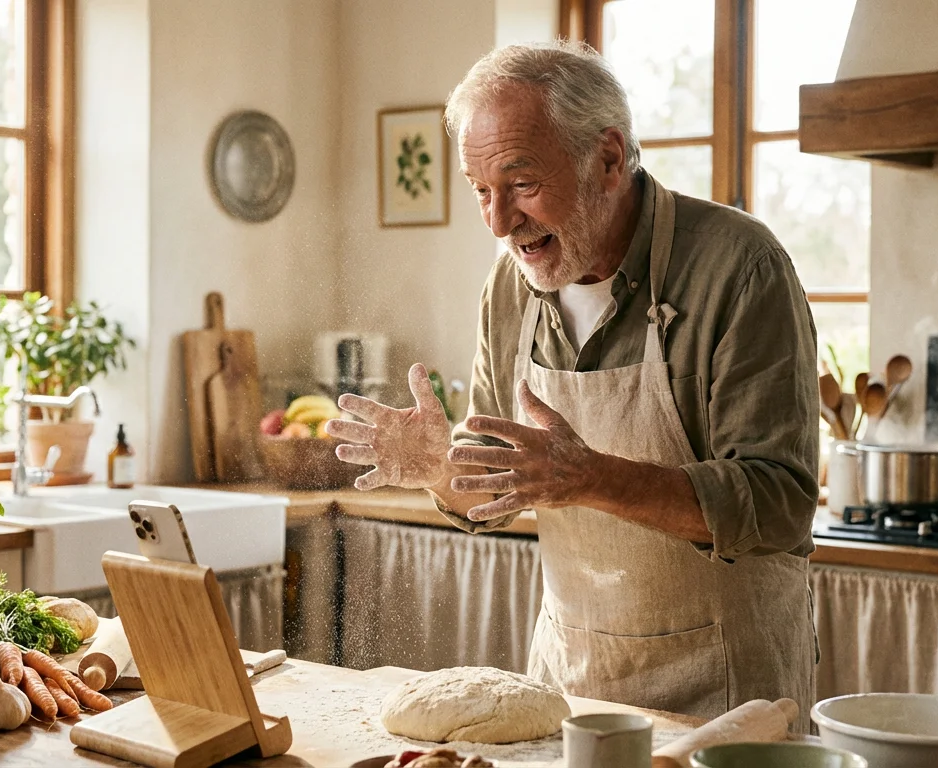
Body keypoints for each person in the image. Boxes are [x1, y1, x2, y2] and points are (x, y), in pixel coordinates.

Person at [326, 41, 819, 726]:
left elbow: (779, 503)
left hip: (728, 695)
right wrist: (440, 471)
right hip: (573, 687)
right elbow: (498, 487)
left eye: (522, 184)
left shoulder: (739, 268)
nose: (500, 222)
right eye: (480, 192)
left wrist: (590, 478)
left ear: (609, 159)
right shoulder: (509, 286)